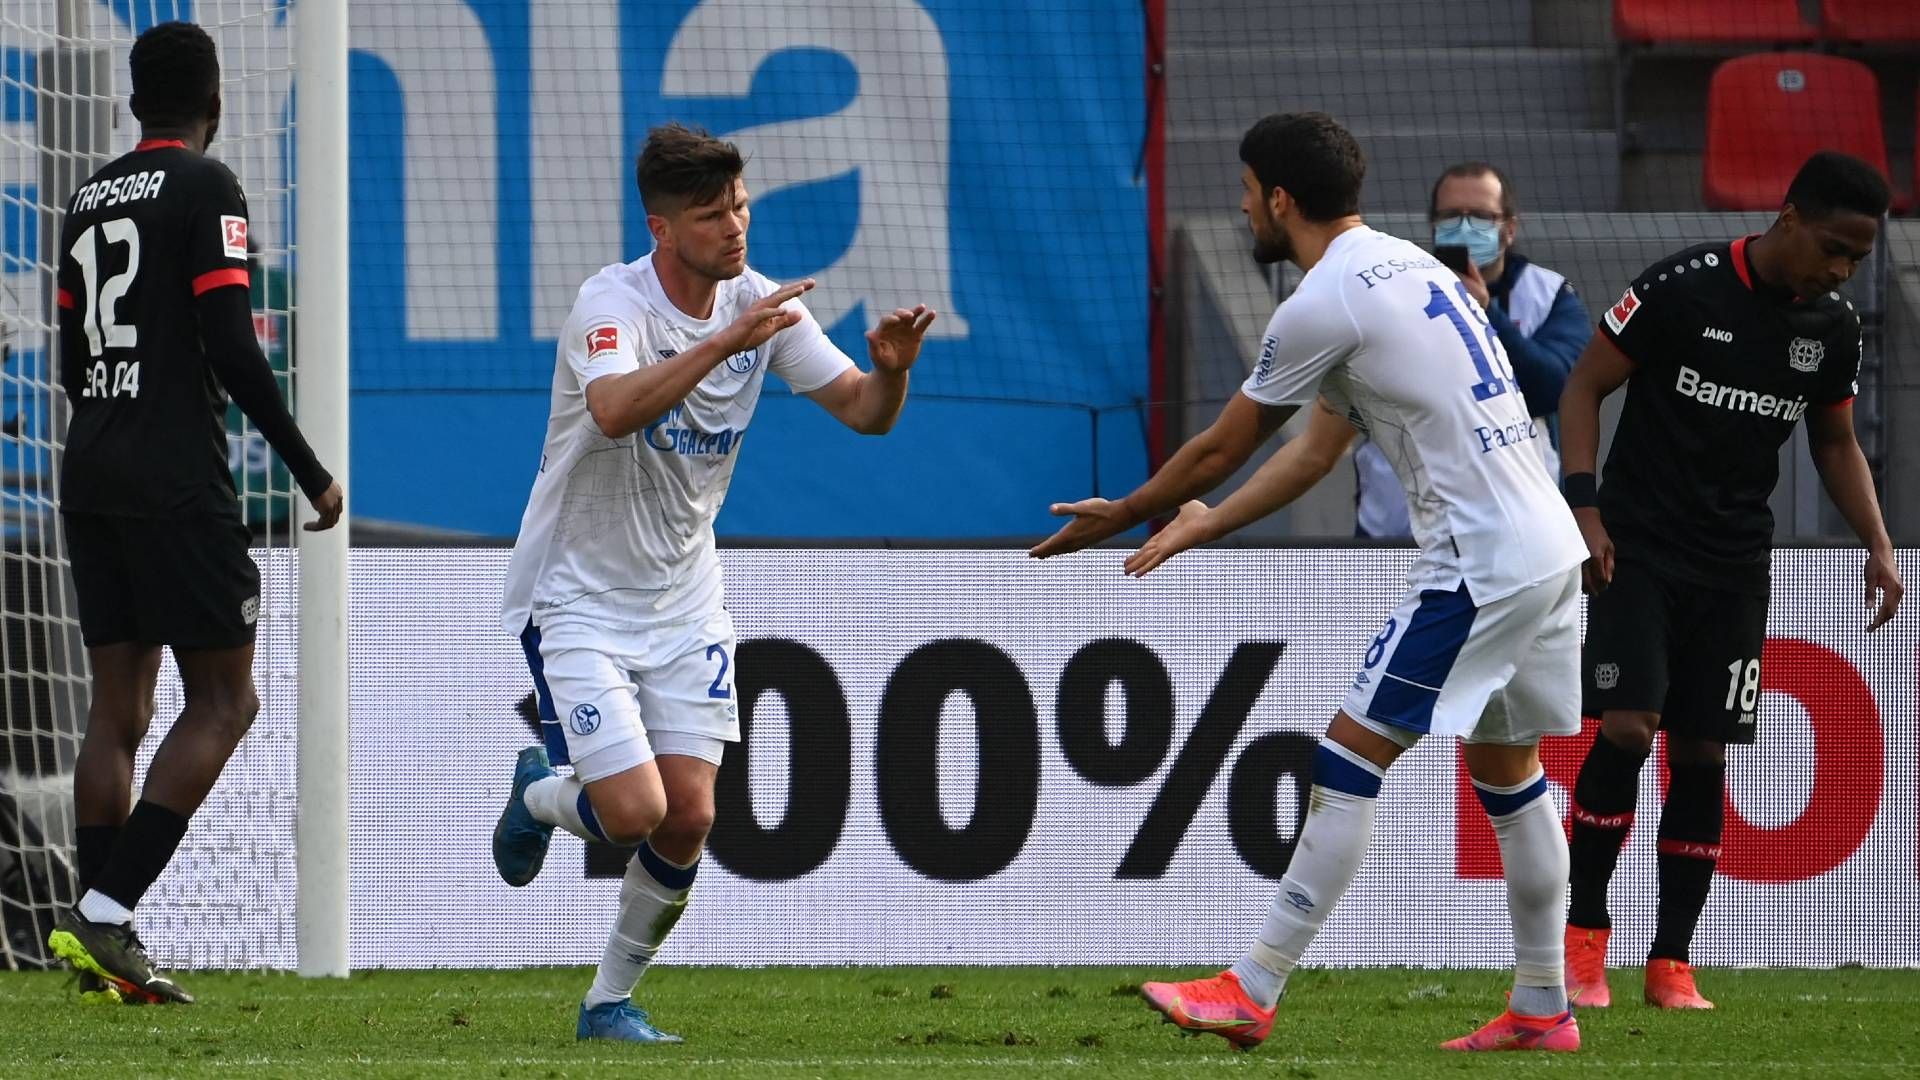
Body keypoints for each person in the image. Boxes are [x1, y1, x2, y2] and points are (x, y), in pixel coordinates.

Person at [1033, 112, 1587, 1053]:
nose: (1243, 205)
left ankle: (1252, 989)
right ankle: (1543, 1005)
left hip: (1478, 564)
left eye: (1248, 191)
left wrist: (1131, 507)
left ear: (1280, 199)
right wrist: (1210, 519)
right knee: (1510, 771)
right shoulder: (1405, 267)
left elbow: (1222, 443)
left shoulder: (1322, 301)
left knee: (1347, 756)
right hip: (1548, 549)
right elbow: (1317, 451)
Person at [491, 123, 935, 1044]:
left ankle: (608, 1003)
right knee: (632, 813)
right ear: (661, 228)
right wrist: (728, 337)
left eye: (739, 205)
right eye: (711, 213)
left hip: (684, 597)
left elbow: (864, 414)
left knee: (690, 815)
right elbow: (614, 410)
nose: (735, 227)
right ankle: (540, 789)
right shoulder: (608, 306)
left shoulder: (764, 306)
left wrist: (890, 375)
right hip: (575, 592)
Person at [1560, 150, 1902, 1010]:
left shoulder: (1832, 329)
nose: (1841, 270)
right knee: (1631, 729)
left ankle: (1671, 962)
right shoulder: (1683, 286)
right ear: (1788, 218)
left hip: (1736, 564)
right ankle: (1583, 940)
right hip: (1635, 548)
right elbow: (1585, 385)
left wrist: (1879, 541)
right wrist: (1584, 508)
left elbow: (1833, 442)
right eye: (1833, 248)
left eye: (1857, 260)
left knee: (1704, 751)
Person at [45, 21, 344, 1005]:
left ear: (136, 101)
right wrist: (309, 471)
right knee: (228, 700)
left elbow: (70, 360)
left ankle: (101, 957)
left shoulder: (88, 197)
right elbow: (232, 346)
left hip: (89, 465)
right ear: (214, 99)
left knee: (119, 711)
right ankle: (107, 911)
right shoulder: (208, 187)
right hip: (176, 476)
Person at [1355, 162, 1589, 537]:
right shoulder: (1391, 292)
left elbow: (1555, 389)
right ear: (1433, 224)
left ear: (1509, 228)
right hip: (1398, 529)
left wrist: (1483, 313)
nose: (1464, 227)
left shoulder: (1548, 295)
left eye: (1480, 216)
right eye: (1451, 216)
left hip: (1518, 533)